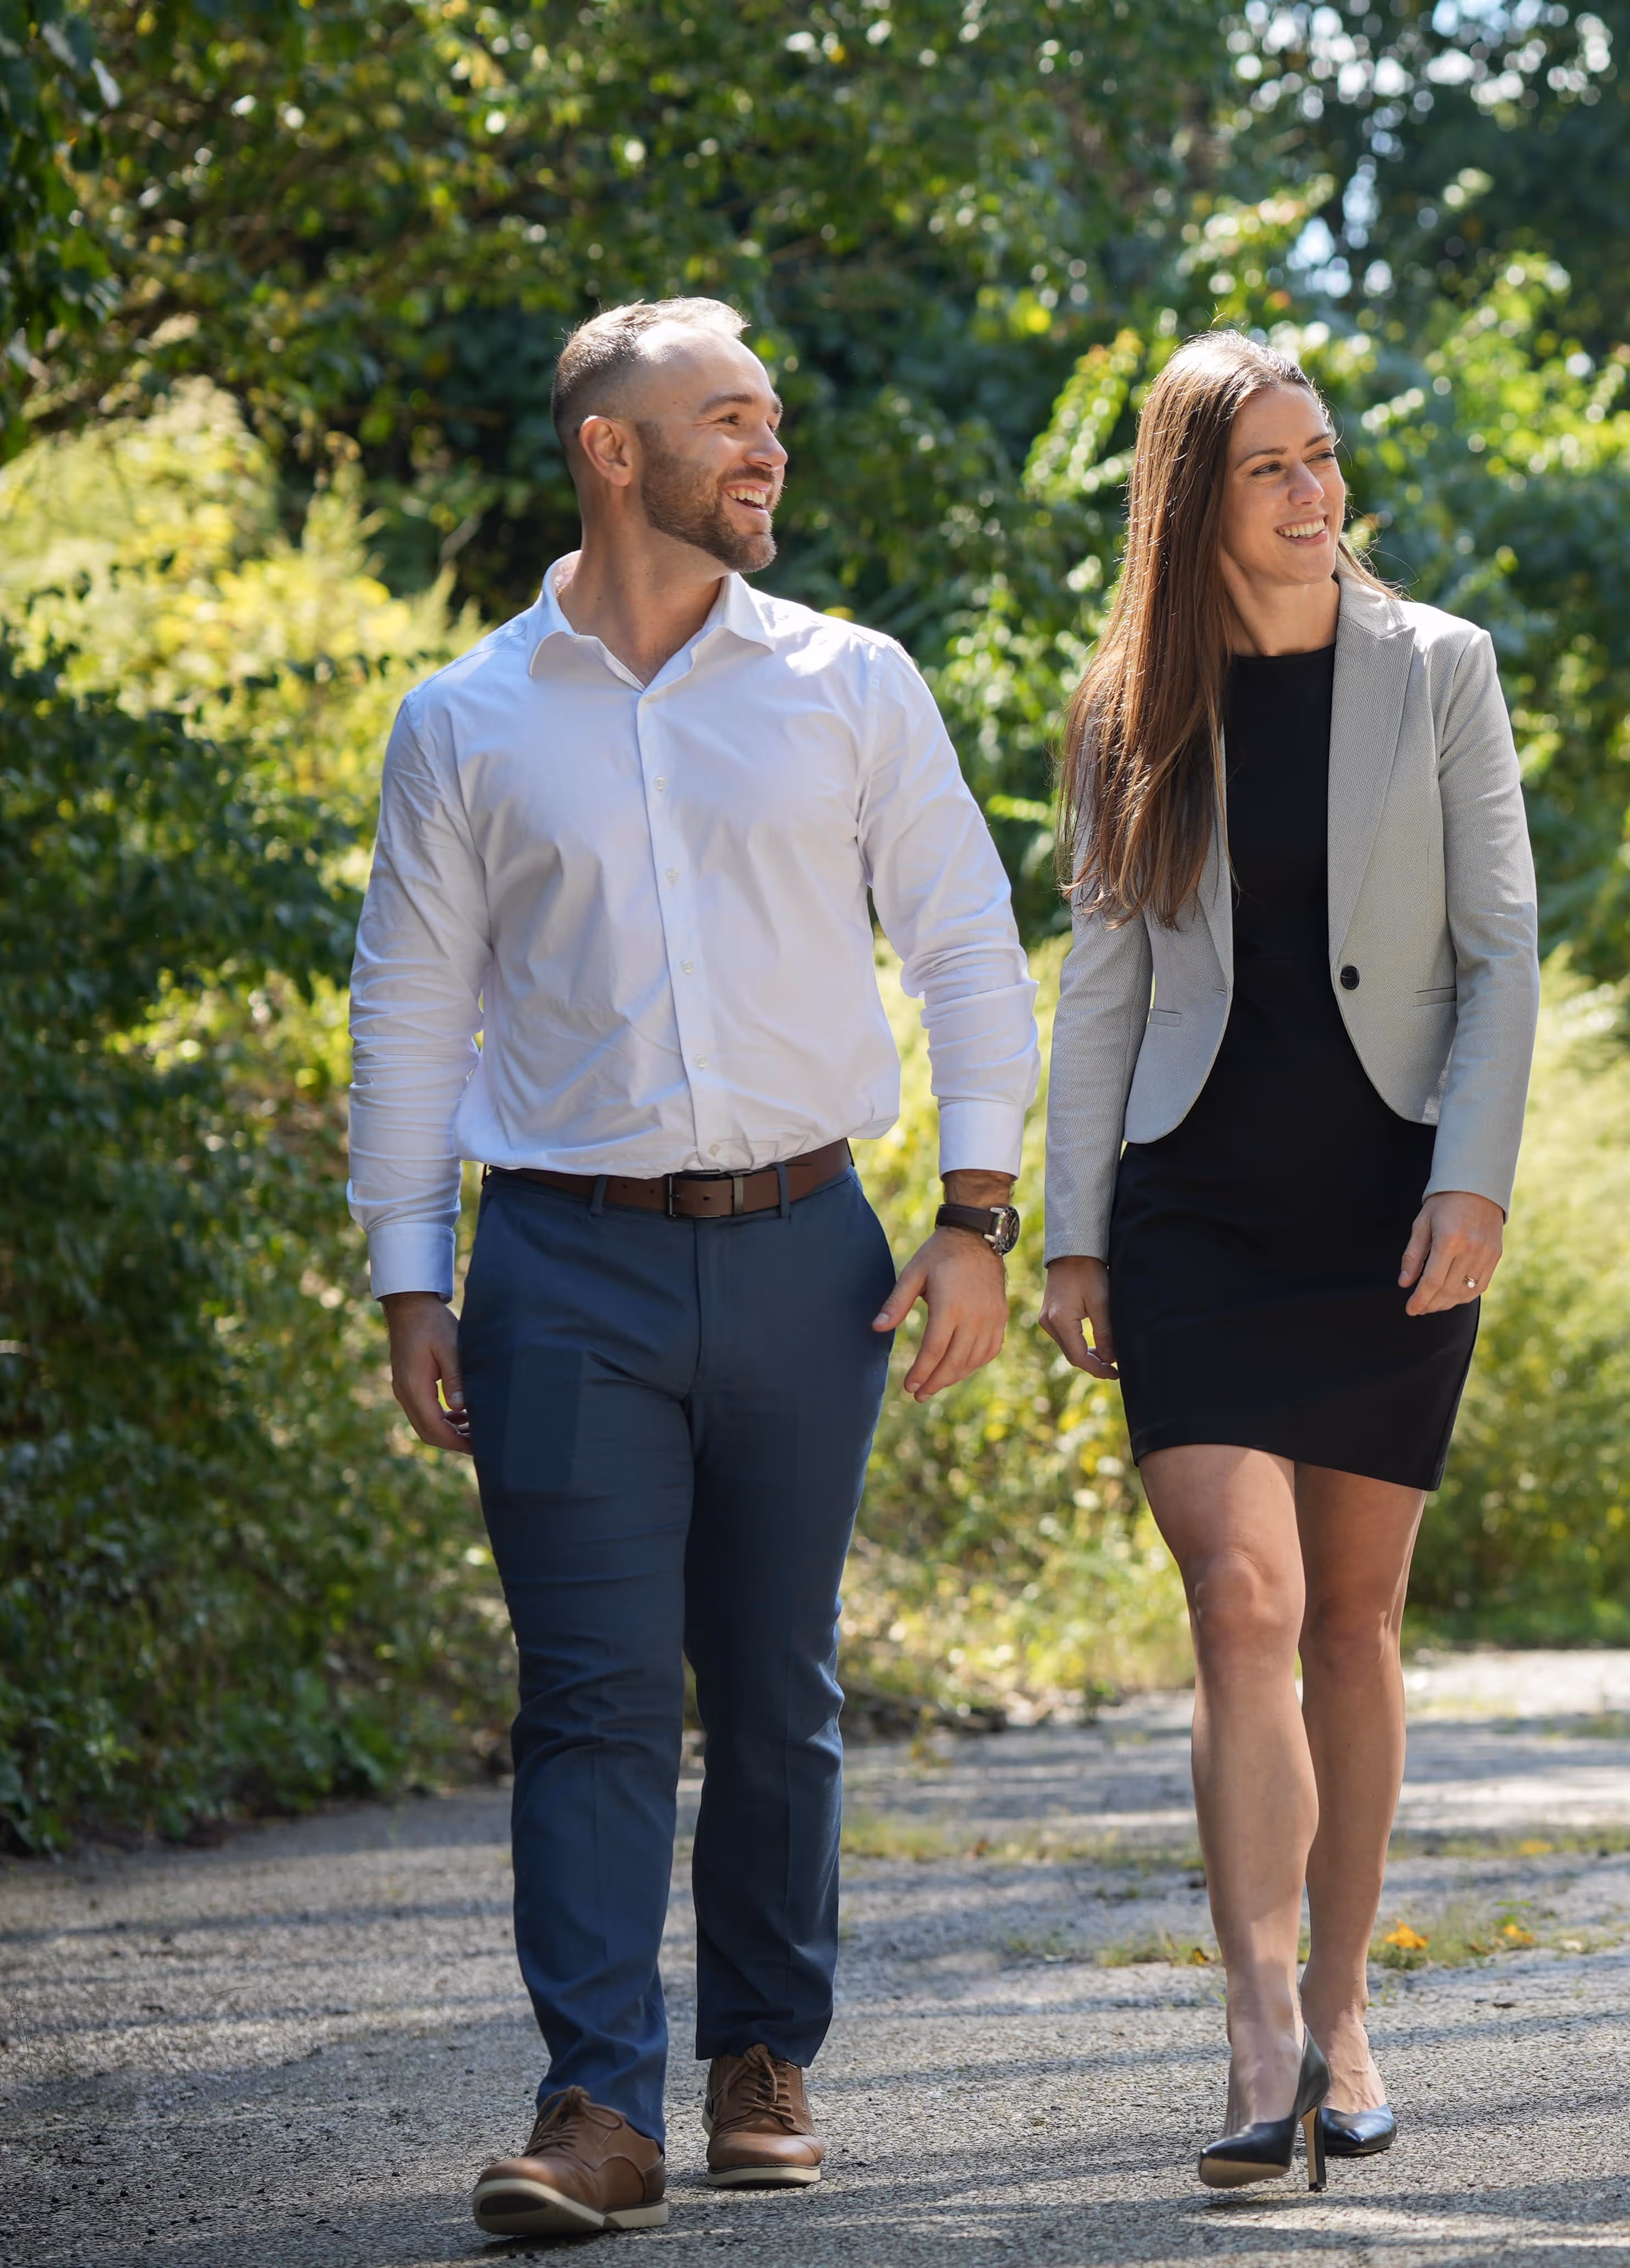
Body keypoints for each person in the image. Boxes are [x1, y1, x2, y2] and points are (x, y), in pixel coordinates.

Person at [348, 298, 1040, 2238]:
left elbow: (969, 953)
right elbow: (407, 1020)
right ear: (609, 450)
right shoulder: (464, 720)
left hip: (814, 1255)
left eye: (772, 415)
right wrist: (414, 1279)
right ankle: (593, 2105)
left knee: (776, 1682)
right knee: (586, 1698)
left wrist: (973, 1217)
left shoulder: (849, 682)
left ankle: (762, 2059)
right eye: (725, 419)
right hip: (562, 1263)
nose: (766, 450)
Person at [1036, 332, 1538, 2191]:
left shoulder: (1440, 672)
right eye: (1270, 467)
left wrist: (1475, 1182)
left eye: (1322, 457)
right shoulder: (1127, 712)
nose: (1314, 491)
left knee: (1353, 1619)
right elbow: (1100, 980)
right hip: (1196, 1207)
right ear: (1196, 499)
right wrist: (1071, 1226)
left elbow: (1500, 950)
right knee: (1237, 1603)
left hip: (1388, 1205)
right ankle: (1253, 2031)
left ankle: (1341, 2009)